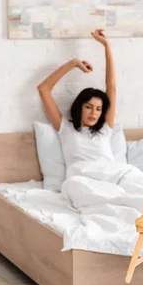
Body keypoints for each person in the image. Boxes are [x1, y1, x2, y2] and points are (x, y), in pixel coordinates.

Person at [37, 29, 116, 176]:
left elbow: (111, 87)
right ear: (79, 108)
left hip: (111, 176)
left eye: (98, 109)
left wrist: (107, 45)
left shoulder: (105, 130)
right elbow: (43, 89)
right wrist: (73, 63)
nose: (94, 113)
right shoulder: (66, 129)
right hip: (82, 180)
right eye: (89, 107)